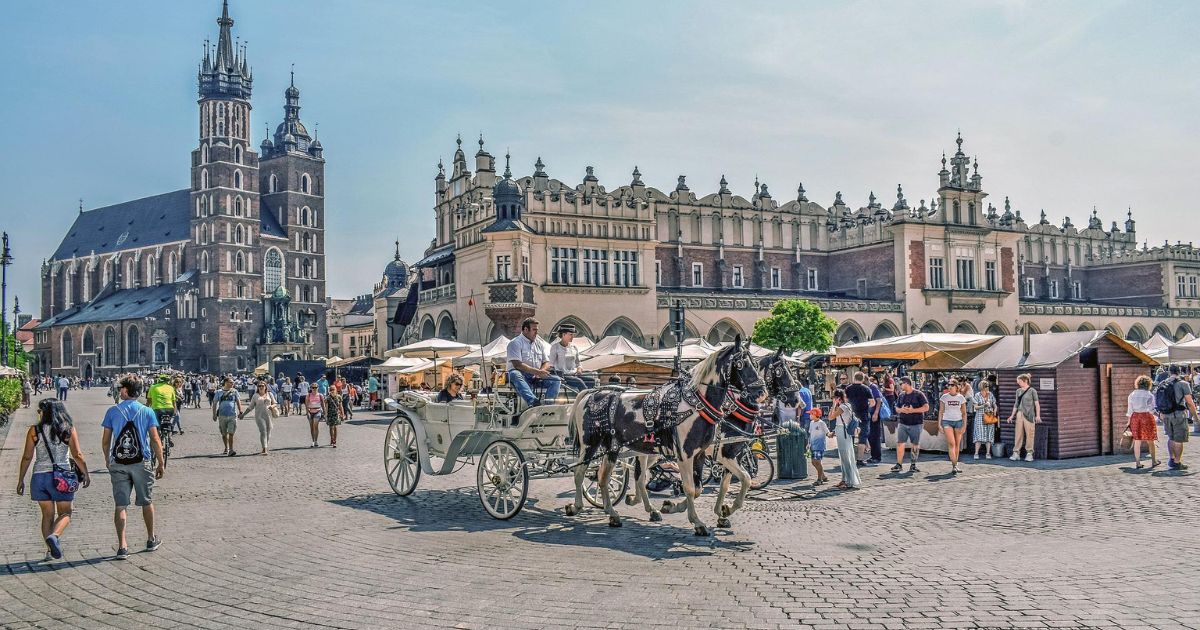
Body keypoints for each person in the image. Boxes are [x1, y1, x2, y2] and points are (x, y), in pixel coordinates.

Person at [15, 399, 91, 561]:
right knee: (65, 512)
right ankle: (55, 536)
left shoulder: (35, 430)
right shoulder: (67, 429)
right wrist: (85, 473)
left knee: (47, 515)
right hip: (61, 476)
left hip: (39, 477)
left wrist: (21, 479)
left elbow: (27, 456)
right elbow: (77, 455)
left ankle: (50, 551)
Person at [101, 375, 165, 560]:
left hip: (119, 462)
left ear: (127, 390)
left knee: (121, 504)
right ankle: (151, 539)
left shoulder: (112, 412)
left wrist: (107, 459)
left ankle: (122, 546)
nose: (119, 391)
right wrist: (160, 462)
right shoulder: (147, 411)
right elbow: (155, 439)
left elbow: (106, 441)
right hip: (141, 462)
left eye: (121, 388)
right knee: (146, 501)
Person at [506, 317, 561, 407]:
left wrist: (541, 372)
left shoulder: (539, 344)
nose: (536, 332)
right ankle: (533, 402)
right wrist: (537, 372)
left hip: (535, 375)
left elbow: (546, 362)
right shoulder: (515, 343)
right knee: (515, 374)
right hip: (521, 374)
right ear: (526, 329)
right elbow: (517, 365)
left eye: (537, 329)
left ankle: (548, 406)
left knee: (556, 380)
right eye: (534, 329)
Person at [1158, 364, 1198, 470]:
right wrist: (1195, 417)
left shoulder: (1163, 383)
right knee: (1179, 439)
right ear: (1179, 372)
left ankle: (1171, 459)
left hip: (1166, 414)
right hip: (1179, 414)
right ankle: (1177, 462)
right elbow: (1189, 402)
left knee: (1171, 438)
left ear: (1169, 372)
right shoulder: (1183, 384)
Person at [892, 377, 929, 473]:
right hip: (903, 422)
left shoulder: (918, 394)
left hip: (916, 423)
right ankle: (899, 464)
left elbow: (926, 407)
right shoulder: (901, 395)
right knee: (900, 443)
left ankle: (913, 464)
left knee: (915, 444)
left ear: (906, 383)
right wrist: (901, 410)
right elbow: (896, 408)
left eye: (901, 384)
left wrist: (913, 410)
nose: (900, 386)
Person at [827, 388, 861, 490]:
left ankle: (849, 481)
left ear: (838, 398)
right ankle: (844, 479)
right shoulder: (847, 405)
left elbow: (830, 417)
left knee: (846, 456)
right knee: (843, 456)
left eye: (834, 398)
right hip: (841, 431)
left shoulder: (842, 407)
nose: (833, 399)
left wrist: (833, 405)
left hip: (843, 432)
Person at [1126, 375, 1160, 469]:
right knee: (1150, 440)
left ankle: (1138, 463)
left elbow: (1130, 410)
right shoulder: (1149, 395)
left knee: (1137, 440)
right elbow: (1152, 409)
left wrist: (1129, 421)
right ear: (1148, 384)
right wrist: (1159, 416)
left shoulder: (1132, 394)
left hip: (1135, 417)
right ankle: (1154, 461)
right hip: (1146, 417)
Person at [549, 323, 593, 393]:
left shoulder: (574, 347)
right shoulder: (555, 347)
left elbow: (578, 363)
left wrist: (579, 368)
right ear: (563, 334)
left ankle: (590, 396)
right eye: (571, 334)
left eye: (573, 335)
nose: (572, 337)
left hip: (574, 374)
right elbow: (551, 365)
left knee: (591, 380)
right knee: (579, 382)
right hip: (563, 376)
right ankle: (586, 397)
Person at [1006, 373, 1041, 462]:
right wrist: (1012, 416)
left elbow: (1037, 404)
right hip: (1019, 414)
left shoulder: (1032, 391)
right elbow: (1016, 404)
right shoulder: (1018, 391)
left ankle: (1029, 453)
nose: (1018, 383)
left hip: (1029, 415)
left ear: (1025, 381)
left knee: (1030, 434)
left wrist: (1038, 415)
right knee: (1018, 434)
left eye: (1019, 381)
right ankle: (1016, 452)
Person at [844, 372, 875, 467]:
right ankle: (860, 460)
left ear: (854, 378)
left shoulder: (848, 388)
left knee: (850, 436)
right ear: (862, 379)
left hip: (851, 415)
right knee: (862, 437)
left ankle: (850, 458)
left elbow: (845, 400)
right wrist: (867, 405)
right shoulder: (866, 389)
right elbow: (872, 402)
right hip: (864, 415)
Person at [938, 379, 968, 474]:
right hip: (947, 421)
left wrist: (964, 425)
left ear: (956, 386)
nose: (950, 387)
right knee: (951, 443)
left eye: (952, 385)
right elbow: (941, 411)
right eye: (948, 385)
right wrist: (939, 424)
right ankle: (954, 464)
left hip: (958, 421)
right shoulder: (944, 397)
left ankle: (955, 465)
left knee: (957, 444)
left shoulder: (961, 398)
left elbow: (964, 413)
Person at [240, 381, 276, 455]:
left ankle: (266, 445)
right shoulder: (255, 396)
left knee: (268, 432)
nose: (261, 387)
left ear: (265, 387)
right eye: (259, 386)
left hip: (268, 415)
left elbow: (275, 403)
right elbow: (251, 407)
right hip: (259, 416)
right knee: (263, 431)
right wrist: (243, 414)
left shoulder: (270, 394)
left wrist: (272, 406)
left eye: (262, 386)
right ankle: (264, 448)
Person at [212, 377, 242, 457]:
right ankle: (226, 447)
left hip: (232, 415)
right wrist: (214, 414)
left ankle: (231, 449)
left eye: (232, 382)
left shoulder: (234, 391)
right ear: (225, 382)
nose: (232, 384)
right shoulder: (219, 392)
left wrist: (240, 411)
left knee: (231, 433)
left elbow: (238, 402)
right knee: (224, 434)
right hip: (222, 415)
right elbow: (214, 403)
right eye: (230, 382)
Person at [971, 381, 998, 459]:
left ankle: (988, 453)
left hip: (989, 416)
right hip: (980, 417)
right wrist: (984, 405)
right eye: (986, 386)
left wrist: (995, 410)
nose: (987, 387)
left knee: (989, 435)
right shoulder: (977, 395)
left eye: (988, 386)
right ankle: (976, 453)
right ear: (982, 387)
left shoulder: (990, 395)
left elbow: (994, 404)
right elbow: (975, 407)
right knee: (979, 435)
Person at [808, 411, 831, 486]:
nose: (810, 415)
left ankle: (819, 479)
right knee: (813, 462)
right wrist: (809, 444)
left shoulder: (822, 423)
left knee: (817, 461)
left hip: (819, 445)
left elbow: (827, 432)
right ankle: (823, 476)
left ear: (815, 415)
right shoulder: (811, 423)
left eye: (811, 414)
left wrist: (830, 434)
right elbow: (810, 434)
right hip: (813, 445)